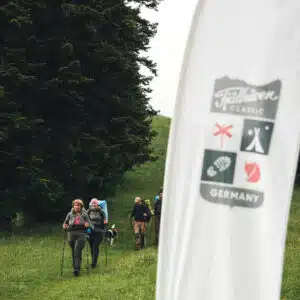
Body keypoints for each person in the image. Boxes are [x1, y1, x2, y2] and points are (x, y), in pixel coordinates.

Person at [62, 199, 92, 276]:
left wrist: (87, 225)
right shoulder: (70, 214)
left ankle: (76, 269)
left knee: (77, 249)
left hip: (82, 233)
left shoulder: (84, 214)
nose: (76, 207)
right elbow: (65, 223)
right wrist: (65, 226)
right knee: (74, 251)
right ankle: (75, 267)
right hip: (71, 233)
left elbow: (90, 224)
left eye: (78, 205)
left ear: (81, 206)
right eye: (75, 205)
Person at [86, 198, 107, 268]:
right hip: (90, 231)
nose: (94, 205)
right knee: (91, 247)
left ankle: (94, 263)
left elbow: (105, 220)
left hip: (99, 231)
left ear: (98, 204)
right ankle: (93, 261)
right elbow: (85, 218)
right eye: (93, 204)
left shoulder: (101, 211)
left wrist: (105, 222)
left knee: (95, 246)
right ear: (90, 205)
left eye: (95, 204)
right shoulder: (88, 211)